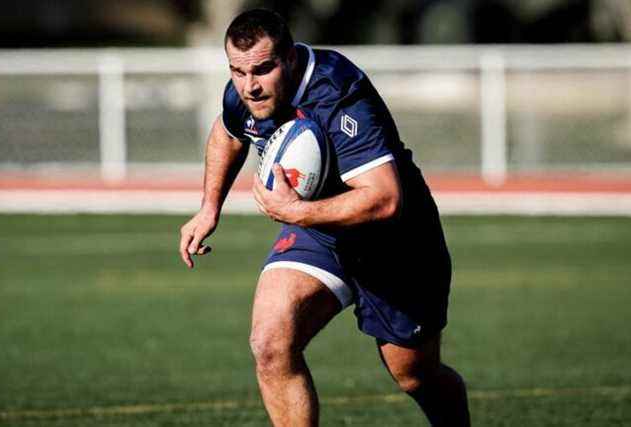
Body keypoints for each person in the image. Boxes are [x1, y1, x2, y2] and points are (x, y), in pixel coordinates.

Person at [178, 9, 470, 426]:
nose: (250, 86)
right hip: (322, 235)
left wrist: (296, 211)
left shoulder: (338, 90)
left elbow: (385, 198)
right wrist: (209, 208)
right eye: (238, 72)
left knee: (414, 374)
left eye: (263, 70)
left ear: (291, 59)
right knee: (270, 342)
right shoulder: (245, 88)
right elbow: (227, 133)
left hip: (397, 243)